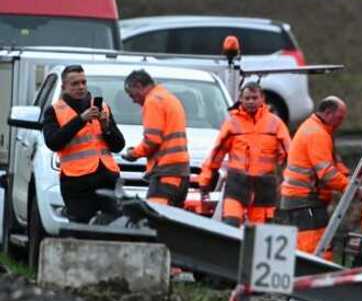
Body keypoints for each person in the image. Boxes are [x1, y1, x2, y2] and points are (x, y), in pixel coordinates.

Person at [277, 96, 360, 257]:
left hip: (303, 201)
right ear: (328, 113)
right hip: (304, 201)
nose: (341, 122)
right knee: (313, 251)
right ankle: (314, 280)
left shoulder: (317, 130)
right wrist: (353, 189)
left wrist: (347, 177)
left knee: (319, 247)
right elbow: (327, 173)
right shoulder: (317, 134)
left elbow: (333, 162)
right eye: (339, 118)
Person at [199, 81, 291, 227]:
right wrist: (205, 180)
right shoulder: (232, 123)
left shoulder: (276, 124)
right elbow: (217, 154)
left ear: (262, 99)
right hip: (237, 183)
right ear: (240, 99)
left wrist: (287, 183)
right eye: (247, 98)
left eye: (254, 98)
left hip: (264, 186)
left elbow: (288, 156)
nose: (251, 102)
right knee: (230, 224)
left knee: (258, 234)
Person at [41, 64, 125, 223]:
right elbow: (53, 143)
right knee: (81, 229)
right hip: (76, 181)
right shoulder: (54, 111)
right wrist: (81, 120)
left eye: (83, 82)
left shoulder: (102, 107)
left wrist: (107, 128)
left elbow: (118, 145)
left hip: (106, 177)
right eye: (75, 84)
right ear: (63, 87)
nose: (81, 87)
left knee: (113, 226)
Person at [120, 70, 190, 207]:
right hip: (180, 173)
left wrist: (133, 154)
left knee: (155, 220)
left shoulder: (152, 101)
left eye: (131, 94)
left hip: (166, 172)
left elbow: (152, 140)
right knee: (172, 224)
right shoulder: (168, 98)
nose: (133, 100)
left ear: (138, 86)